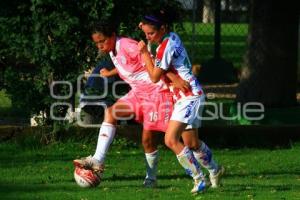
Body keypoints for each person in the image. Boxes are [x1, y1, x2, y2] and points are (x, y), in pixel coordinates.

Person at [73, 20, 189, 188]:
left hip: (155, 93)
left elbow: (157, 62)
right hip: (138, 93)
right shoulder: (113, 50)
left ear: (113, 36)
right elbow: (129, 66)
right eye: (97, 43)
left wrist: (175, 78)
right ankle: (98, 159)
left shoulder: (128, 45)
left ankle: (152, 179)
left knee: (151, 140)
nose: (100, 46)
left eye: (102, 41)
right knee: (111, 112)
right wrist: (111, 72)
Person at [138, 10, 224, 193]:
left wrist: (145, 54)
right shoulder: (170, 36)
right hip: (185, 95)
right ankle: (215, 169)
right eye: (145, 33)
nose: (148, 37)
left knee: (170, 139)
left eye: (151, 33)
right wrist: (170, 75)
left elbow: (154, 76)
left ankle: (198, 179)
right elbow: (165, 66)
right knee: (192, 143)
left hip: (189, 95)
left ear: (162, 28)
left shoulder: (164, 46)